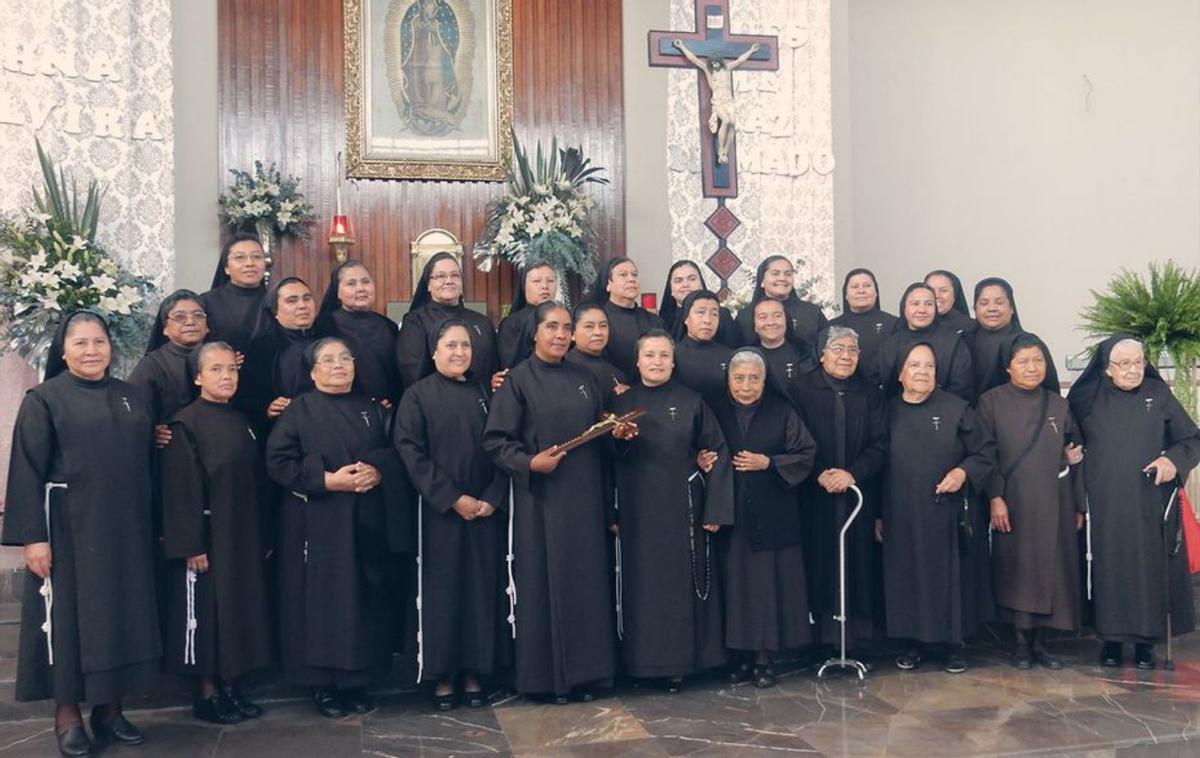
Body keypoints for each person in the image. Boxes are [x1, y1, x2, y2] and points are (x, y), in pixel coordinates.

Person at [2, 312, 160, 757]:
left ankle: (109, 711)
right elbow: (26, 471)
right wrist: (33, 537)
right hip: (69, 529)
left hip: (126, 529)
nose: (92, 351)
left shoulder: (132, 398)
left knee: (120, 617)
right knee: (70, 623)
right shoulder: (45, 400)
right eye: (81, 344)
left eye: (100, 342)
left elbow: (148, 463)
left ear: (112, 347)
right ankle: (67, 716)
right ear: (63, 350)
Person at [482, 301, 635, 703]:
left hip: (586, 499)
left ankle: (590, 675)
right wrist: (529, 462)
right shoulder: (518, 380)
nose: (560, 334)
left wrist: (615, 434)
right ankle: (547, 681)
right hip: (541, 502)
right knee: (545, 587)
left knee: (587, 584)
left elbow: (596, 432)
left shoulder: (586, 376)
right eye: (552, 326)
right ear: (534, 332)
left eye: (567, 327)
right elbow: (495, 441)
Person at [266, 338, 408, 717]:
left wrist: (378, 471)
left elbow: (394, 453)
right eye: (327, 360)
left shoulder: (372, 409)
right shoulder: (298, 411)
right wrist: (329, 481)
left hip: (364, 521)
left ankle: (358, 682)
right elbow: (278, 462)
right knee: (323, 603)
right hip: (318, 523)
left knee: (364, 597)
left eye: (345, 357)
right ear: (312, 372)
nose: (338, 365)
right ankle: (325, 687)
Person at [394, 320, 510, 711]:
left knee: (480, 591)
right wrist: (452, 497)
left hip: (483, 510)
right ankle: (442, 675)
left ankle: (476, 671)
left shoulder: (484, 393)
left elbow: (501, 445)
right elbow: (411, 452)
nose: (459, 353)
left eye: (465, 346)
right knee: (443, 593)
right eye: (450, 346)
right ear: (433, 351)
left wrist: (492, 497)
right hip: (440, 512)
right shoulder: (417, 396)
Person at [610, 330, 734, 692]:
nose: (657, 362)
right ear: (637, 361)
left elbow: (717, 451)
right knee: (644, 588)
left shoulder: (692, 401)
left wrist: (716, 509)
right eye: (649, 355)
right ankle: (642, 663)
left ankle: (682, 663)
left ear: (673, 360)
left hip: (685, 510)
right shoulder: (622, 403)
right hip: (637, 512)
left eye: (664, 355)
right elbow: (605, 459)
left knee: (680, 588)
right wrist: (610, 511)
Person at [1067, 335, 1200, 670]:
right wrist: (1069, 457)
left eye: (1138, 362)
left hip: (1149, 500)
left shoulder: (1159, 395)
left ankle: (1145, 644)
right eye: (1123, 364)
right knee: (1109, 568)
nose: (1132, 370)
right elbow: (1069, 439)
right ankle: (1110, 641)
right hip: (1104, 501)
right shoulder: (1086, 397)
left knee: (1147, 570)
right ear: (1107, 369)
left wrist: (1172, 461)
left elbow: (1191, 439)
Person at [161, 342, 273, 723]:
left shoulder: (242, 420)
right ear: (197, 377)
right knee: (208, 613)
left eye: (232, 370)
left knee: (237, 608)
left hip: (240, 533)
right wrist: (190, 543)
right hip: (206, 537)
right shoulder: (185, 423)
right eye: (216, 370)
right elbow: (179, 488)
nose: (227, 377)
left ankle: (232, 685)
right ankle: (206, 692)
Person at [879, 343, 995, 674]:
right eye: (914, 366)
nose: (922, 372)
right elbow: (876, 461)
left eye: (929, 366)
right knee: (907, 578)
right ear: (900, 374)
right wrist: (876, 514)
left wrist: (962, 473)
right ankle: (913, 644)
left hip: (948, 512)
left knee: (950, 581)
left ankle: (953, 645)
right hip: (900, 513)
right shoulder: (886, 411)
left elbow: (984, 451)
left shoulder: (957, 408)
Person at [977, 333, 1084, 670]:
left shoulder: (1059, 404)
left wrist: (1079, 505)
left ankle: (1042, 643)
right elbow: (984, 455)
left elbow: (1076, 453)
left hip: (1054, 501)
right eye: (1023, 361)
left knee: (1052, 571)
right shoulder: (989, 402)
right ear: (1008, 367)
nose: (1031, 367)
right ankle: (1020, 643)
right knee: (1017, 569)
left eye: (1038, 360)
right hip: (1012, 500)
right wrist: (995, 496)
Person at [711, 349, 817, 688]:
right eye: (739, 378)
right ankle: (739, 655)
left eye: (753, 378)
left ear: (764, 380)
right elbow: (700, 448)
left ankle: (764, 658)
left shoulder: (782, 410)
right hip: (729, 514)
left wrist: (768, 463)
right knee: (736, 587)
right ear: (728, 380)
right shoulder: (713, 410)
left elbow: (806, 454)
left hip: (774, 514)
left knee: (767, 588)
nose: (746, 386)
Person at [793, 327, 888, 655]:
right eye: (837, 349)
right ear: (821, 354)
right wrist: (819, 473)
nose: (845, 355)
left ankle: (855, 639)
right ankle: (818, 640)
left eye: (852, 349)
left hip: (858, 495)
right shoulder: (801, 389)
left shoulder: (870, 393)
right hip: (813, 494)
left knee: (857, 563)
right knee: (818, 560)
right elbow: (794, 438)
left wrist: (852, 474)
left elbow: (880, 444)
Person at [396, 253, 499, 390]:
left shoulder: (482, 322)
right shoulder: (416, 321)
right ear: (428, 285)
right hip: (436, 403)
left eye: (455, 275)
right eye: (441, 276)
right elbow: (414, 374)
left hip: (481, 401)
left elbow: (494, 369)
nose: (449, 280)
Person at [239, 276, 322, 429]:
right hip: (281, 429)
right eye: (292, 301)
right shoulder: (260, 349)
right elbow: (245, 399)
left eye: (307, 298)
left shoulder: (329, 339)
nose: (302, 306)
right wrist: (267, 408)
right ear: (275, 310)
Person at [316, 260, 401, 406]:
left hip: (387, 409)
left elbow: (397, 373)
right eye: (351, 284)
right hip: (341, 407)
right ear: (337, 292)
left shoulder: (388, 326)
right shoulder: (324, 325)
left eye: (366, 282)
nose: (361, 288)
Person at [874, 283, 975, 403]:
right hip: (899, 412)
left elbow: (962, 386)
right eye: (915, 304)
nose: (922, 310)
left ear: (935, 309)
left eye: (929, 304)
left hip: (945, 411)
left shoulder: (953, 342)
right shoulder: (890, 344)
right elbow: (884, 386)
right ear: (904, 308)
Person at [128, 289, 208, 424]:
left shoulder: (219, 358)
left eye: (198, 315)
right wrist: (153, 430)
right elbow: (133, 410)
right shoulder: (151, 365)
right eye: (179, 317)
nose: (190, 322)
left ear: (207, 326)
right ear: (165, 328)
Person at [587, 257, 664, 379]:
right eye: (623, 275)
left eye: (634, 275)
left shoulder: (654, 321)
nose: (631, 279)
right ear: (608, 284)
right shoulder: (598, 321)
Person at [734, 256, 828, 349]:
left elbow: (826, 348)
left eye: (788, 274)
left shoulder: (812, 312)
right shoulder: (745, 316)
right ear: (761, 280)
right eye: (775, 274)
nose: (782, 278)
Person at [201, 233, 268, 354]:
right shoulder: (207, 302)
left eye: (257, 257)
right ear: (226, 267)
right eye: (240, 258)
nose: (250, 263)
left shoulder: (277, 301)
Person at [829, 268, 897, 378]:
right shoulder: (832, 327)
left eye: (867, 286)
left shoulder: (894, 324)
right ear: (846, 295)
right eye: (855, 287)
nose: (861, 291)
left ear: (876, 292)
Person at [671, 290, 735, 401]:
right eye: (700, 312)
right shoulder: (673, 356)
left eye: (714, 314)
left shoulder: (729, 356)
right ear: (686, 318)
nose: (707, 320)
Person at [658, 261, 739, 348]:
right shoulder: (662, 319)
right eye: (678, 281)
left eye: (692, 279)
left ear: (701, 284)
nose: (685, 285)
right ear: (670, 289)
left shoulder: (721, 314)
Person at [750, 298, 815, 405]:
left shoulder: (805, 353)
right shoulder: (746, 357)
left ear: (787, 321)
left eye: (777, 316)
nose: (770, 322)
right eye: (762, 317)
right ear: (754, 325)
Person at [970, 277, 1025, 397]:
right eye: (984, 303)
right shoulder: (965, 341)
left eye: (999, 302)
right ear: (975, 309)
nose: (992, 309)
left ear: (1011, 308)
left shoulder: (1026, 343)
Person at [497, 262, 557, 370]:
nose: (545, 286)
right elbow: (510, 366)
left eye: (550, 281)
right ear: (524, 286)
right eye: (536, 281)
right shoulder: (512, 324)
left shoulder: (565, 319)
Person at [565, 302, 630, 395]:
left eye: (603, 326)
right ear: (572, 333)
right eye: (589, 326)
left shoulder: (616, 372)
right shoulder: (564, 368)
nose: (598, 332)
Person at [924, 269, 974, 337]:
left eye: (943, 290)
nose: (936, 295)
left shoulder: (971, 328)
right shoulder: (914, 325)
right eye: (931, 290)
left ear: (955, 295)